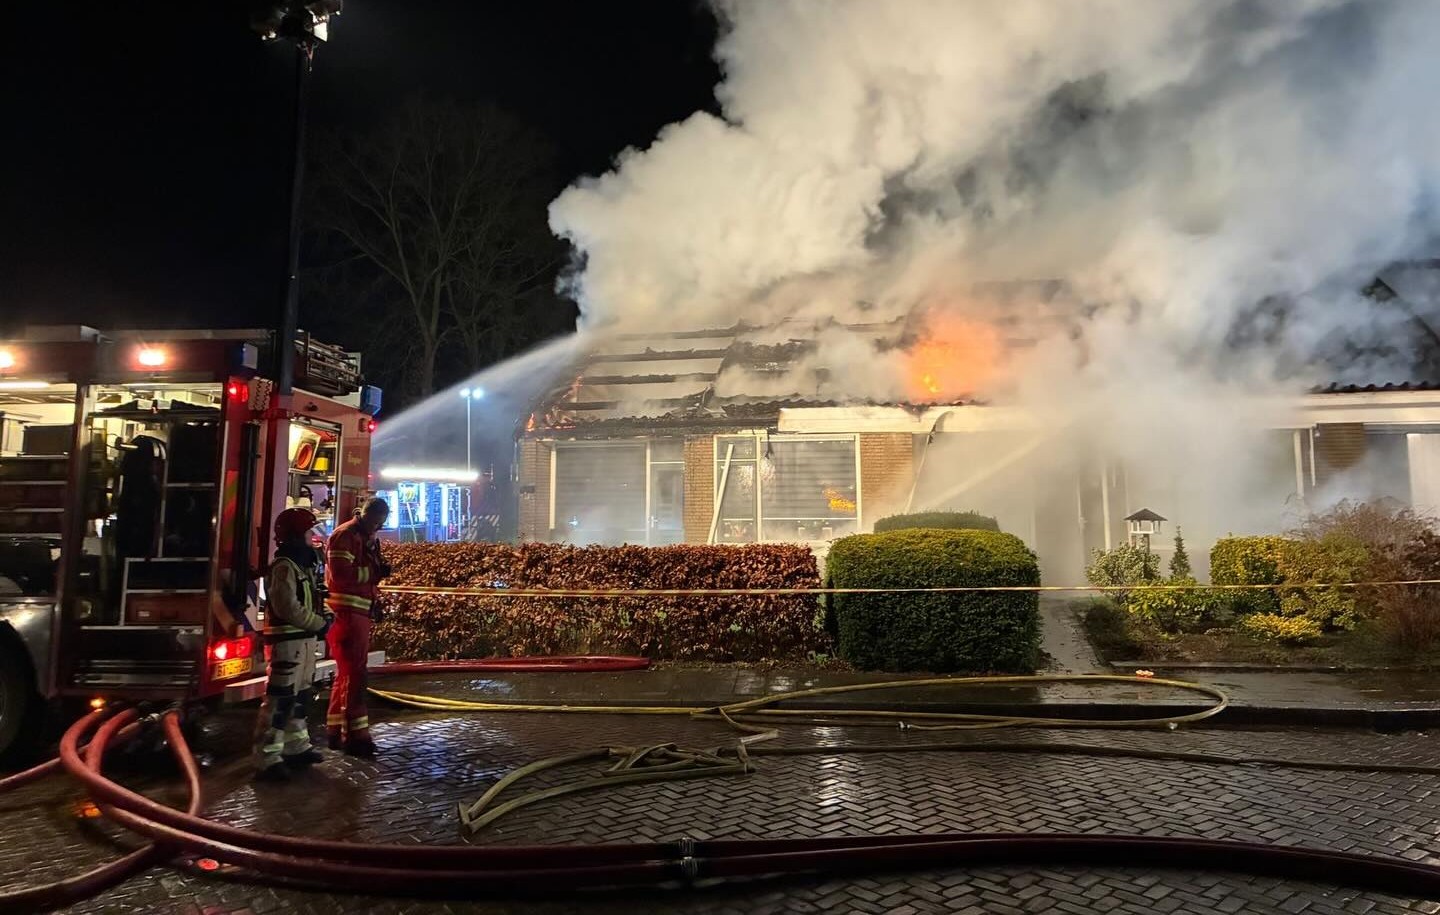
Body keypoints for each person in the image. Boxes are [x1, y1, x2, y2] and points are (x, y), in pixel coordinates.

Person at [256, 507, 333, 782]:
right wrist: (317, 623)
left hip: (303, 640)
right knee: (280, 700)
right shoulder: (284, 566)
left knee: (299, 696)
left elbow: (309, 598)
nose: (313, 537)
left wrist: (326, 616)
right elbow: (287, 606)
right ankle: (268, 757)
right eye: (308, 531)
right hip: (287, 642)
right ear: (294, 535)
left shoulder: (302, 564)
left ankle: (296, 746)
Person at [324, 496, 392, 757]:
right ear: (366, 515)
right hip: (347, 613)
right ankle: (356, 737)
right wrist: (374, 573)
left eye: (380, 525)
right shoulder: (345, 536)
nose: (377, 528)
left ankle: (334, 731)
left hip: (358, 612)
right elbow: (342, 574)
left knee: (346, 675)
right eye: (375, 523)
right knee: (355, 675)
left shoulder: (366, 537)